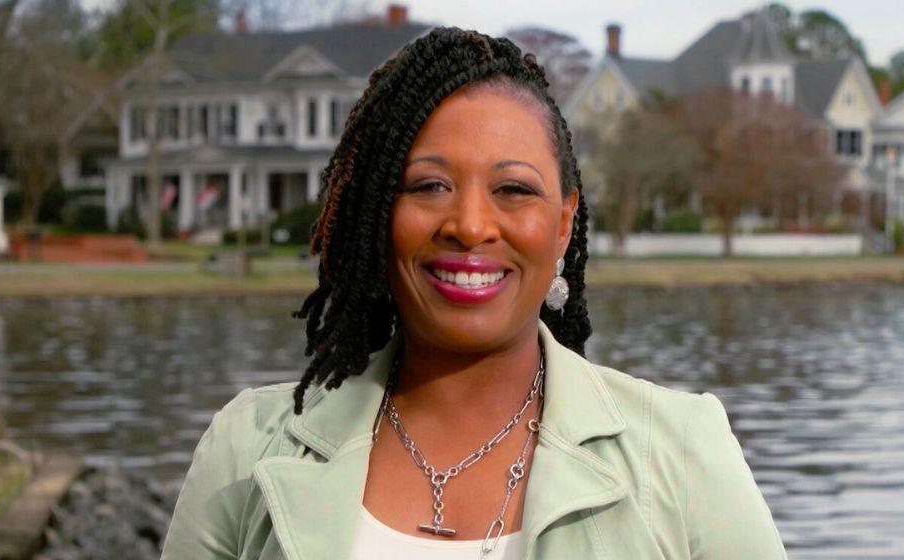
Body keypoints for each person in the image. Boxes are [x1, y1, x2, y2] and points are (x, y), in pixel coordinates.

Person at [161, 27, 786, 560]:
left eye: (513, 190)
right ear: (377, 213)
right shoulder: (247, 450)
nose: (470, 224)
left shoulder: (681, 454)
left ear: (565, 222)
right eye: (428, 185)